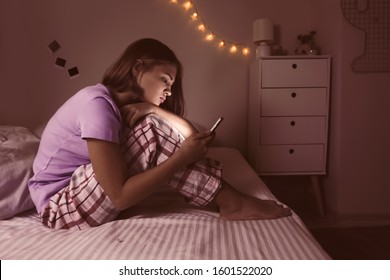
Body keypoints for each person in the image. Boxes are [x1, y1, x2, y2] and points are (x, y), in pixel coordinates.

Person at [28, 38, 291, 230]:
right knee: (152, 133)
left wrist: (154, 110)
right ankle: (231, 202)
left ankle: (229, 200)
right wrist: (179, 158)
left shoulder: (119, 109)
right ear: (138, 68)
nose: (169, 92)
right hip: (60, 208)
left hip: (83, 194)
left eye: (171, 85)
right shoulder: (96, 106)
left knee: (154, 129)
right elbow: (119, 196)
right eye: (165, 80)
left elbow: (191, 139)